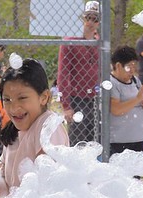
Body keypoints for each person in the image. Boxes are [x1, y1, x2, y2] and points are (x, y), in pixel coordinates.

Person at [0, 58, 70, 198]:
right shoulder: (13, 131)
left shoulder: (49, 126)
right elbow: (5, 183)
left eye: (22, 98)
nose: (14, 108)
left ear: (44, 97)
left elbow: (45, 185)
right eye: (7, 100)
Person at [56, 0, 100, 146]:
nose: (91, 22)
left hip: (95, 98)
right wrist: (66, 106)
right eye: (88, 18)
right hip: (76, 98)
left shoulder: (99, 42)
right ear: (82, 19)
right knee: (77, 142)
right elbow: (63, 75)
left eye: (95, 19)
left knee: (94, 142)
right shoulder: (70, 41)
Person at [109, 46, 143, 156]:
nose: (132, 70)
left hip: (138, 138)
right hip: (120, 142)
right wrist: (137, 100)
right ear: (118, 66)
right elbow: (116, 110)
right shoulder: (112, 83)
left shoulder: (136, 81)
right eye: (128, 67)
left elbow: (137, 101)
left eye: (134, 66)